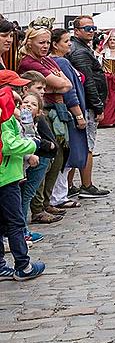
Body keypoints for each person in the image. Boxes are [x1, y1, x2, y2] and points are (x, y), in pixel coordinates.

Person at [17, 26, 76, 217]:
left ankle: (45, 202)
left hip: (52, 110)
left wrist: (57, 85)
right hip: (41, 111)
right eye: (41, 42)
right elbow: (60, 84)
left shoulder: (48, 60)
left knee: (57, 156)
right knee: (45, 155)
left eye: (47, 42)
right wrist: (54, 88)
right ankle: (37, 207)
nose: (45, 46)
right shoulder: (29, 63)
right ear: (30, 42)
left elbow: (68, 84)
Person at [0, 70, 46, 281]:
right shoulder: (4, 115)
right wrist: (33, 144)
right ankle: (23, 266)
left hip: (7, 173)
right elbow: (9, 145)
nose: (20, 92)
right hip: (5, 176)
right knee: (16, 222)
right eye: (15, 88)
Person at [66, 16, 109, 198]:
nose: (91, 31)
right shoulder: (80, 52)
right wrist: (98, 106)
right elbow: (88, 81)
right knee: (87, 145)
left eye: (93, 28)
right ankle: (86, 184)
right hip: (87, 104)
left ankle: (70, 185)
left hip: (85, 102)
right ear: (76, 31)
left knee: (78, 145)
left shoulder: (81, 48)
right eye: (87, 28)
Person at [46, 29, 90, 205]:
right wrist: (79, 115)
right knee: (67, 155)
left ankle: (60, 194)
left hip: (70, 112)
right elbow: (69, 91)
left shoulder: (62, 61)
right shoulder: (61, 62)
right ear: (55, 45)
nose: (69, 44)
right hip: (70, 114)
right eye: (65, 41)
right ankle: (59, 196)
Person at [18, 93, 58, 243]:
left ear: (40, 112)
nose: (28, 105)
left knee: (26, 195)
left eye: (33, 104)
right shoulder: (18, 121)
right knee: (24, 196)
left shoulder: (34, 122)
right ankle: (20, 232)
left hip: (34, 161)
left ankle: (21, 230)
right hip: (22, 164)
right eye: (25, 102)